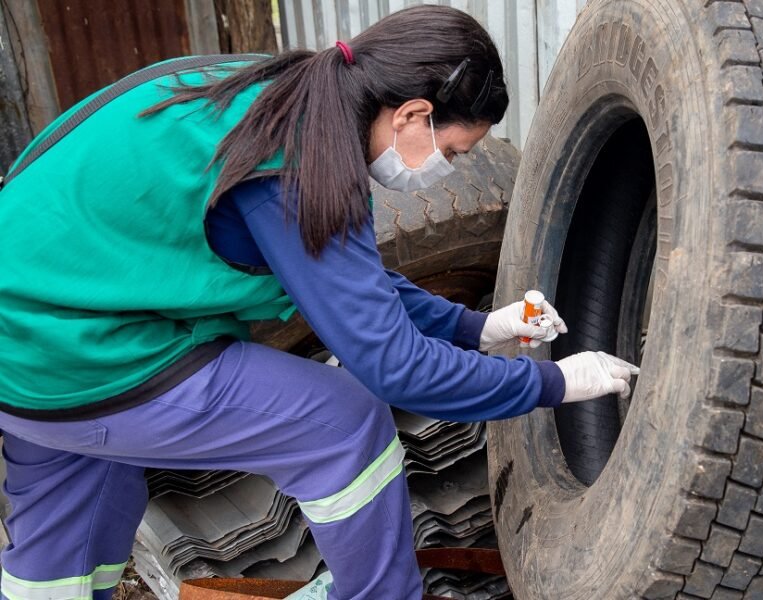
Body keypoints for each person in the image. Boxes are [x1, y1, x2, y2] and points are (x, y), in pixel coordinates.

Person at [0, 6, 638, 599]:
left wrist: (476, 327)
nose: (449, 169)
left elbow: (351, 287)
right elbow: (396, 369)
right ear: (413, 115)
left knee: (68, 535)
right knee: (341, 422)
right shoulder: (300, 163)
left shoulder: (285, 97)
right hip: (77, 349)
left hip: (25, 333)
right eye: (452, 153)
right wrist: (555, 381)